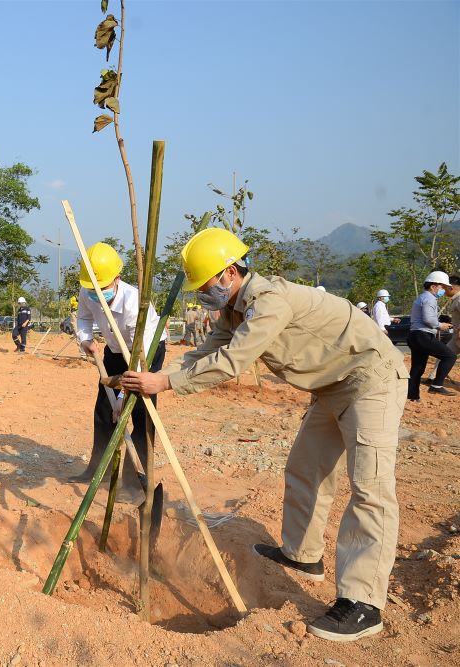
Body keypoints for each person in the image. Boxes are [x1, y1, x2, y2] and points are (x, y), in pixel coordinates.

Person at [120, 227, 407, 642]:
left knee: (370, 488)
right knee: (305, 468)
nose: (202, 294)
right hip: (329, 386)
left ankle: (363, 604)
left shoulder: (269, 301)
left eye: (205, 285)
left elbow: (233, 360)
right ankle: (303, 555)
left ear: (230, 273)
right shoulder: (233, 312)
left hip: (370, 377)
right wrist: (158, 376)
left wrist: (164, 385)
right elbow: (207, 352)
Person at [71, 242, 167, 492]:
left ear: (117, 278)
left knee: (140, 413)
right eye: (93, 289)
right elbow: (83, 317)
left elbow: (137, 359)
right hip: (114, 350)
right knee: (104, 410)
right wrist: (85, 340)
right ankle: (98, 470)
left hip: (145, 352)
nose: (96, 294)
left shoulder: (134, 302)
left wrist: (123, 396)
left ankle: (133, 483)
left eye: (102, 289)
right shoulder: (88, 289)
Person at [406, 271, 456, 400]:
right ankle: (437, 385)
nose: (444, 290)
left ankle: (412, 395)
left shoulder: (423, 297)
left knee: (418, 367)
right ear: (434, 286)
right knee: (450, 356)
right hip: (423, 335)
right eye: (442, 287)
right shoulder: (429, 298)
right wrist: (441, 326)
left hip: (415, 335)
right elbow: (429, 319)